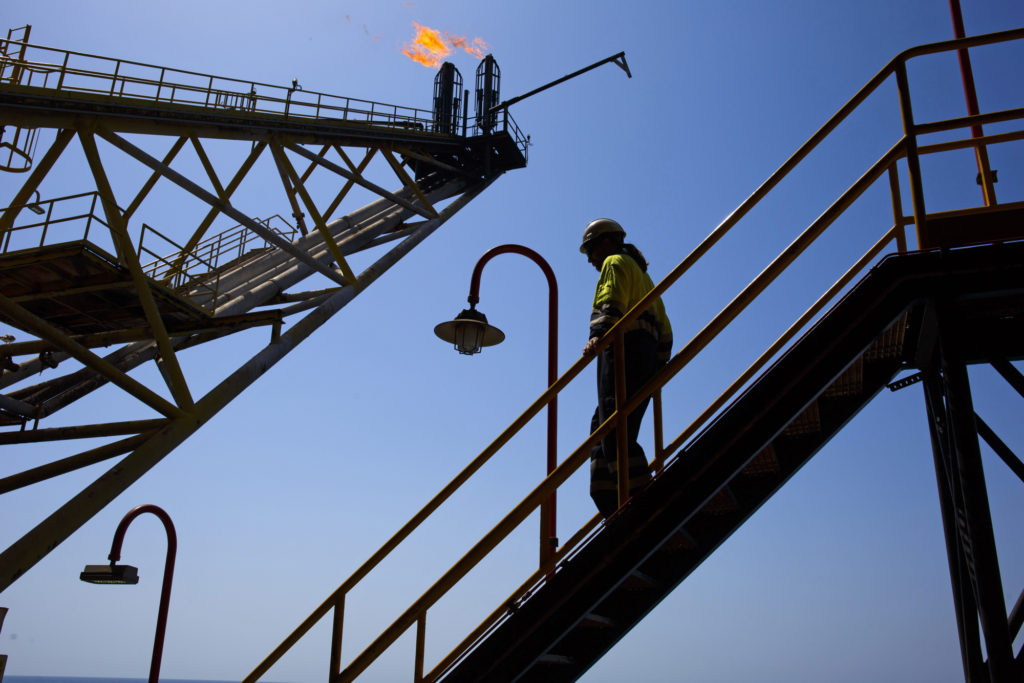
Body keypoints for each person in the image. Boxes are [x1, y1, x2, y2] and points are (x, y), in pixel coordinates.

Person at [580, 218, 672, 518]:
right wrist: (657, 367)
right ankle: (615, 502)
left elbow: (610, 299)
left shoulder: (615, 262)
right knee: (604, 430)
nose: (591, 260)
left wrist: (598, 335)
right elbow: (666, 331)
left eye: (591, 251)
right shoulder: (645, 278)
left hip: (623, 349)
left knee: (612, 433)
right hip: (646, 360)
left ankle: (639, 506)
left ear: (605, 243)